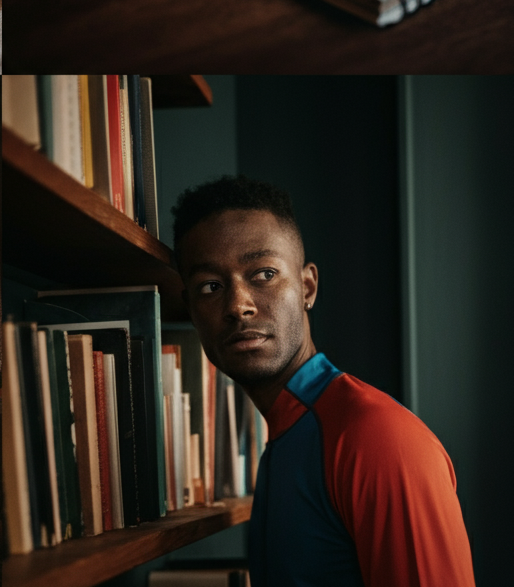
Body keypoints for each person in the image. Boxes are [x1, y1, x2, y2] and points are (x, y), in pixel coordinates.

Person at [172, 175, 475, 587]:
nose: (238, 305)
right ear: (191, 309)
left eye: (264, 274)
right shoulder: (286, 434)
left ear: (307, 287)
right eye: (210, 286)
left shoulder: (377, 439)